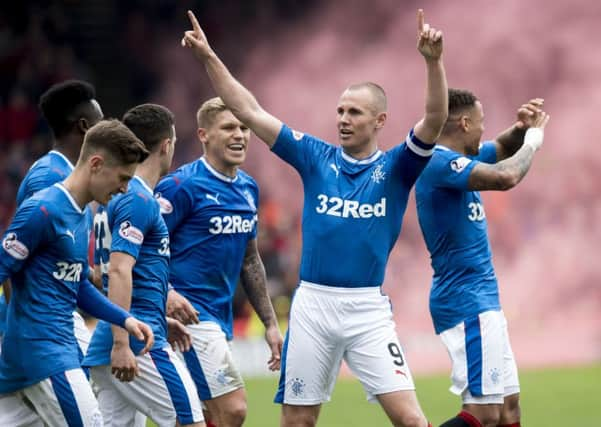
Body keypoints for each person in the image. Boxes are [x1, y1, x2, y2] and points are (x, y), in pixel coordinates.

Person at [181, 8, 447, 427]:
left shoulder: (398, 167)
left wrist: (433, 62)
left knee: (411, 420)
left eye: (354, 113)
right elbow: (249, 111)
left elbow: (434, 119)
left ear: (380, 121)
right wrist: (209, 56)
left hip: (367, 310)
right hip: (312, 307)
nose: (342, 119)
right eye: (340, 111)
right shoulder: (315, 157)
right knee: (297, 422)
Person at [0, 119, 154, 426]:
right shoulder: (42, 210)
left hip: (43, 353)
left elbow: (78, 284)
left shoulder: (82, 213)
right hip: (45, 354)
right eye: (122, 178)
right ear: (96, 164)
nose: (125, 188)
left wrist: (124, 318)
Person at [414, 89, 550, 427]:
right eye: (481, 124)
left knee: (508, 407)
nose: (483, 131)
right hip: (465, 302)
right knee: (484, 413)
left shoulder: (462, 161)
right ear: (463, 123)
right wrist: (532, 142)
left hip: (482, 300)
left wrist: (521, 129)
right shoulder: (439, 162)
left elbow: (502, 148)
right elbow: (506, 176)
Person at [154, 97, 283, 427]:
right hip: (189, 317)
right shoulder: (180, 186)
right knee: (233, 408)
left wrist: (269, 323)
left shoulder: (248, 188)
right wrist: (165, 292)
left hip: (220, 316)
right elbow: (145, 248)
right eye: (228, 127)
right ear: (203, 134)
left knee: (200, 414)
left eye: (243, 127)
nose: (240, 134)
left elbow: (250, 260)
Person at [84, 104, 205, 427]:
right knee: (189, 421)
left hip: (120, 335)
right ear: (166, 145)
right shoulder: (137, 200)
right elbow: (120, 270)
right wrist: (124, 341)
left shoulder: (112, 198)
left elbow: (102, 273)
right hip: (138, 341)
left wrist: (159, 318)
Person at [6, 80, 105, 360]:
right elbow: (18, 254)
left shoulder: (71, 175)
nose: (108, 130)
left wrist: (86, 272)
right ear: (84, 126)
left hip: (57, 309)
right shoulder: (49, 177)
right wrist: (22, 325)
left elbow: (53, 254)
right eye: (102, 122)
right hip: (39, 321)